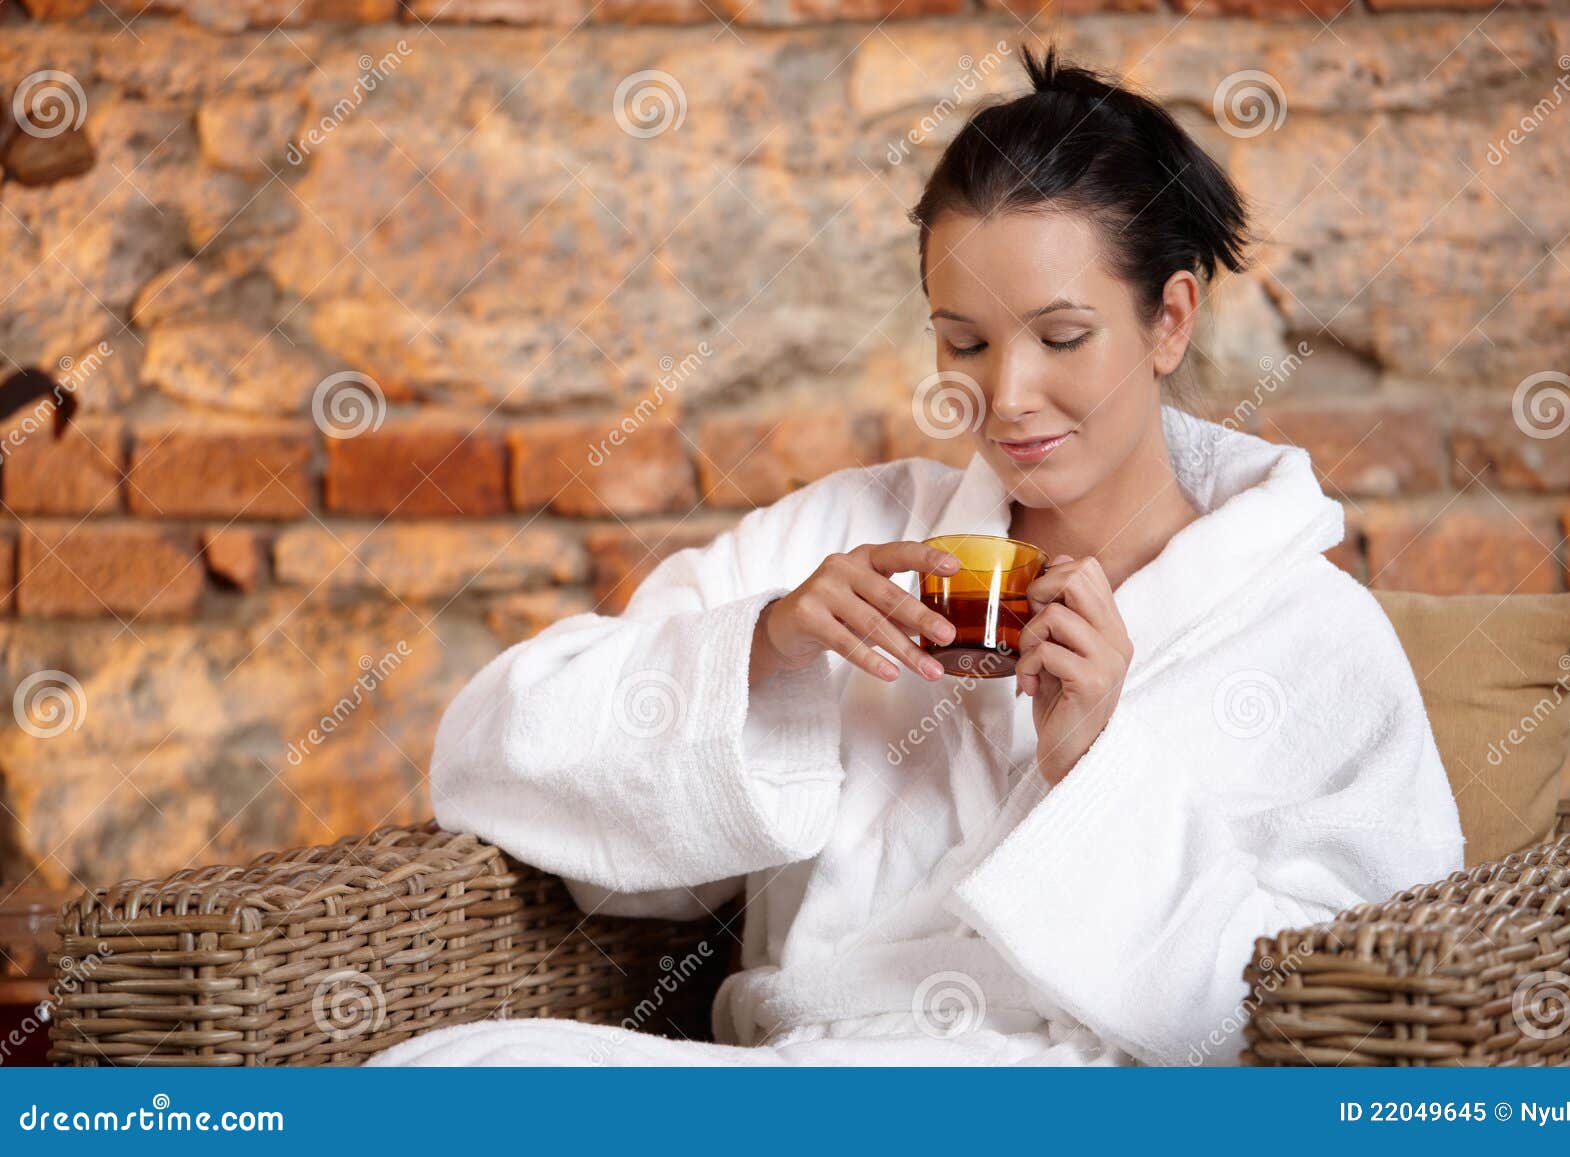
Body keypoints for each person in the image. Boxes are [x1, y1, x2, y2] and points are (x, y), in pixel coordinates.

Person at [367, 45, 1464, 1068]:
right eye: (965, 340)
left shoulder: (1307, 632)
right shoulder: (846, 540)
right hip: (798, 1078)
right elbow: (489, 762)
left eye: (1061, 336)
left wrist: (1095, 766)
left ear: (1169, 319)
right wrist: (759, 653)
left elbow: (1356, 1020)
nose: (1007, 396)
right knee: (439, 1077)